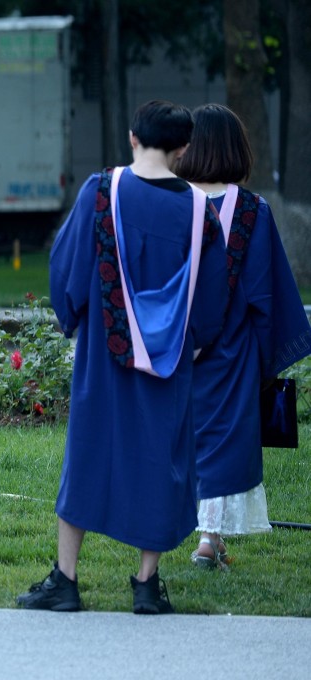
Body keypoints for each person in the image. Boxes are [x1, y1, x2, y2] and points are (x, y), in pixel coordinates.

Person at [16, 100, 228, 614]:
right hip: (170, 360)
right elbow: (212, 296)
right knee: (161, 459)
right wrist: (193, 339)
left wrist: (73, 316)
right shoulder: (201, 212)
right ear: (183, 150)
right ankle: (146, 585)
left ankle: (65, 580)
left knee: (89, 452)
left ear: (133, 138)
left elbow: (68, 266)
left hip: (103, 355)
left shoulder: (101, 192)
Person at [174, 103, 311, 569]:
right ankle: (209, 539)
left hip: (174, 347)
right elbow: (266, 294)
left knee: (180, 440)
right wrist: (266, 362)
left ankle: (178, 533)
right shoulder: (252, 210)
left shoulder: (170, 200)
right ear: (236, 148)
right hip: (232, 351)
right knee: (221, 445)